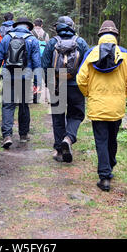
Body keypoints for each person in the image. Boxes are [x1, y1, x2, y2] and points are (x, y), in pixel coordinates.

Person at [77, 20, 127, 191]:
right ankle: (109, 165)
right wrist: (124, 95)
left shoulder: (91, 54)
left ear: (100, 36)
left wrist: (89, 94)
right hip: (117, 106)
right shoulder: (124, 55)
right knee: (112, 138)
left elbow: (81, 79)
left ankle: (105, 176)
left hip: (97, 106)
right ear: (116, 36)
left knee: (101, 140)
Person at [42, 16, 89, 163]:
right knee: (76, 115)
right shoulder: (80, 42)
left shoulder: (52, 43)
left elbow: (45, 66)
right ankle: (68, 138)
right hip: (76, 87)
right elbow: (88, 66)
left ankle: (59, 150)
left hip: (58, 84)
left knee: (58, 117)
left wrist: (50, 86)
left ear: (58, 27)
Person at [0, 17, 42, 149]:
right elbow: (37, 62)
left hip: (8, 75)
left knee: (8, 105)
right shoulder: (33, 40)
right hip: (25, 77)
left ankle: (7, 135)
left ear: (16, 26)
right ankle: (23, 135)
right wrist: (37, 81)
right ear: (28, 27)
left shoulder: (7, 38)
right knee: (23, 105)